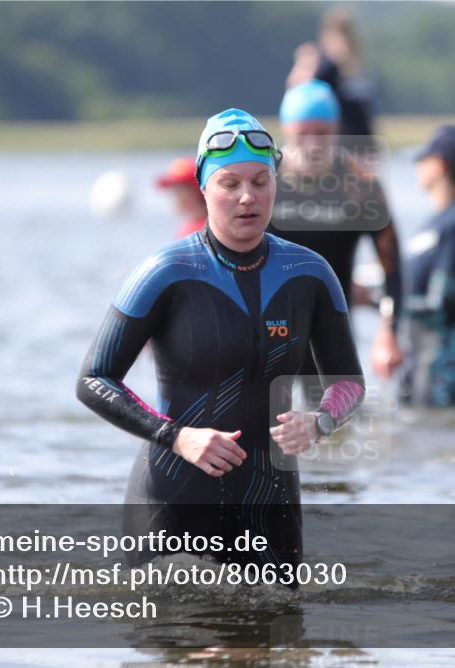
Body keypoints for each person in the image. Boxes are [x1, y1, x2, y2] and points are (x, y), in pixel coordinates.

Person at [77, 108, 365, 576]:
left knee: (279, 638)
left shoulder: (310, 274)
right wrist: (176, 436)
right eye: (230, 183)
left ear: (277, 183)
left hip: (269, 505)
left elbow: (349, 383)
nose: (247, 197)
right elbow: (94, 379)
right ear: (203, 187)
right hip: (172, 498)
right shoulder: (163, 273)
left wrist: (320, 421)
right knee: (177, 633)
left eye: (260, 181)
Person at [269, 79, 403, 381]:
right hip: (263, 333)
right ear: (286, 129)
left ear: (337, 129)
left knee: (331, 424)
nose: (314, 144)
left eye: (323, 132)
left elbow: (393, 269)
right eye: (304, 133)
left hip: (329, 334)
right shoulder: (264, 180)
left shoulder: (362, 186)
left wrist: (388, 332)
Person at [400, 125, 455, 407]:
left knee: (434, 424)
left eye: (422, 160)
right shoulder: (435, 222)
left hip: (448, 348)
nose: (417, 167)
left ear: (438, 165)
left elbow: (443, 300)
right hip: (423, 343)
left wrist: (385, 301)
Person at [287, 7, 376, 140]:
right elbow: (299, 90)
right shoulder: (323, 65)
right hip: (339, 130)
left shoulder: (355, 65)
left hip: (355, 131)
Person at [156, 156, 207, 238]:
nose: (175, 196)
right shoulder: (190, 226)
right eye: (173, 189)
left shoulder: (206, 231)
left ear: (197, 191)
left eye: (179, 190)